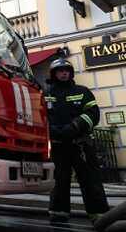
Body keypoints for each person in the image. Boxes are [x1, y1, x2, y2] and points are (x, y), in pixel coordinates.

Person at [46, 58, 109, 224]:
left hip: (80, 145)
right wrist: (51, 130)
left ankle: (99, 214)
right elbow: (40, 116)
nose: (64, 73)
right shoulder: (46, 95)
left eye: (67, 70)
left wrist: (75, 126)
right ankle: (59, 213)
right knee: (59, 180)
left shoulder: (83, 91)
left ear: (71, 72)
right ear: (54, 74)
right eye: (60, 71)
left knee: (90, 180)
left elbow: (93, 114)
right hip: (58, 146)